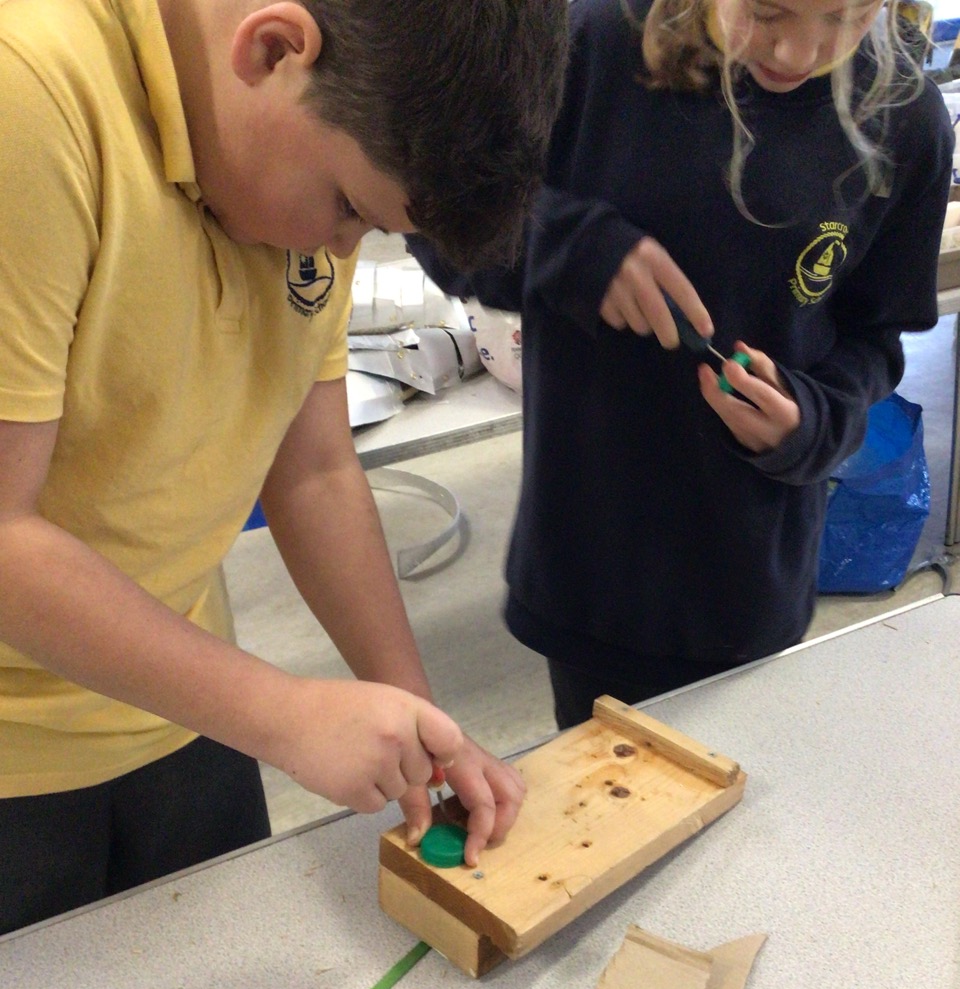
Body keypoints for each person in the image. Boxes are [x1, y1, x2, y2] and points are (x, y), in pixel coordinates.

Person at [0, 0, 569, 933]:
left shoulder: (320, 127)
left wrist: (418, 721)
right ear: (273, 50)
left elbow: (312, 468)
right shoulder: (28, 92)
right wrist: (283, 712)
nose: (341, 250)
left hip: (181, 693)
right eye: (349, 210)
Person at [410, 0, 953, 729]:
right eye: (768, 12)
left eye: (844, 17)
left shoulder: (905, 121)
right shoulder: (595, 45)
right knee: (606, 782)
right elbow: (431, 216)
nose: (798, 52)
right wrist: (568, 248)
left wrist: (812, 420)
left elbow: (875, 338)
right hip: (595, 567)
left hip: (747, 580)